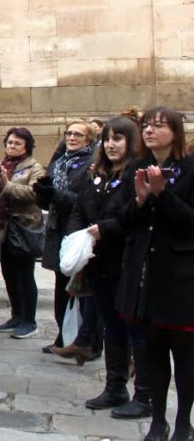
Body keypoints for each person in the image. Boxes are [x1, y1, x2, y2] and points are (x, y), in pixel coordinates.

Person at [59, 116, 151, 419]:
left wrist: (103, 229)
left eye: (118, 139)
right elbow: (78, 207)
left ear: (131, 142)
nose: (111, 145)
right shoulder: (97, 173)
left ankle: (144, 395)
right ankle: (115, 387)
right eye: (108, 139)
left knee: (134, 329)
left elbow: (134, 214)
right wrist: (76, 234)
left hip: (124, 262)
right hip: (97, 262)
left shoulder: (136, 173)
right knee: (111, 327)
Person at [117, 106, 194, 441]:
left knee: (185, 355)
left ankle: (182, 423)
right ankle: (157, 420)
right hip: (144, 275)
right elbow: (122, 219)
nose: (149, 130)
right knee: (153, 353)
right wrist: (139, 200)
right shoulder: (135, 167)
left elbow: (189, 223)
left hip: (180, 277)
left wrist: (163, 195)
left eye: (158, 125)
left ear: (175, 132)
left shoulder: (190, 169)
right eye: (146, 125)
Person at [33, 120, 96, 354]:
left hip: (78, 233)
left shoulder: (91, 164)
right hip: (57, 231)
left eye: (78, 135)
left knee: (82, 290)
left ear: (88, 140)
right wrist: (42, 193)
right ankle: (63, 337)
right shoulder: (59, 162)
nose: (72, 138)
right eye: (69, 133)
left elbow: (85, 202)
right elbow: (47, 200)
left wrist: (56, 193)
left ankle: (87, 342)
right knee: (61, 288)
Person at [0, 127, 46, 339]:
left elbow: (34, 194)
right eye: (9, 142)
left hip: (23, 228)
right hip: (2, 229)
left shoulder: (35, 168)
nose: (11, 146)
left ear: (26, 146)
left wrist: (7, 186)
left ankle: (29, 320)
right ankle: (16, 315)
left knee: (25, 275)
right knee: (9, 274)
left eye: (17, 143)